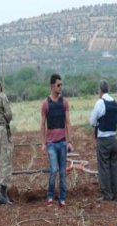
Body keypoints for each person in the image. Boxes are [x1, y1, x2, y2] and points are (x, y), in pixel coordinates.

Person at [40, 74, 73, 207]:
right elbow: (42, 125)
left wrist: (70, 141)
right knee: (54, 170)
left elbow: (68, 122)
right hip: (51, 144)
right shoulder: (45, 104)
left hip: (63, 142)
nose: (61, 87)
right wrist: (43, 143)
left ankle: (62, 198)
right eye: (59, 85)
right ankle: (50, 195)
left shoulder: (64, 102)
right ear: (52, 86)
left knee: (63, 172)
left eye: (61, 85)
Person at [89, 79, 117, 201]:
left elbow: (92, 121)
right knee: (114, 166)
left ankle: (107, 194)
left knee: (104, 167)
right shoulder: (114, 103)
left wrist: (97, 124)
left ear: (100, 90)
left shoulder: (100, 103)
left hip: (103, 139)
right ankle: (116, 193)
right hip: (113, 138)